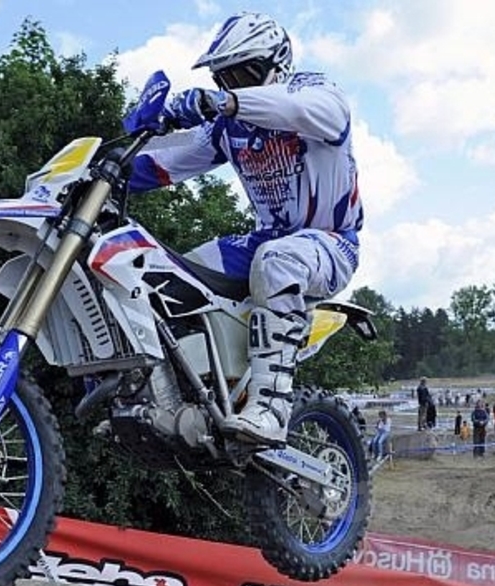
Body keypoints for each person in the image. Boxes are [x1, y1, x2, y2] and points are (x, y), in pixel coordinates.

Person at [130, 12, 363, 445]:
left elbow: (305, 110)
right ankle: (174, 398)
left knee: (277, 260)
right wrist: (108, 166)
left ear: (278, 64)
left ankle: (271, 407)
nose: (235, 85)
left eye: (244, 74)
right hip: (263, 241)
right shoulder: (228, 128)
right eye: (226, 78)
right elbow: (166, 164)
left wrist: (222, 101)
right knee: (166, 276)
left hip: (331, 245)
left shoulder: (317, 93)